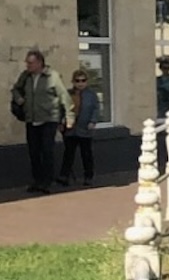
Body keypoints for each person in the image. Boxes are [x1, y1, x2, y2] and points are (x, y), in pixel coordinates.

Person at [11, 50, 66, 194]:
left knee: (47, 150)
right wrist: (19, 99)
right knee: (34, 152)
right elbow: (15, 89)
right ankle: (37, 180)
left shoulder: (52, 76)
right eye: (27, 62)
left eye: (30, 62)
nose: (27, 65)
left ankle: (47, 182)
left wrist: (64, 118)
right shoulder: (25, 76)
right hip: (31, 118)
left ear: (39, 63)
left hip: (49, 118)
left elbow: (62, 96)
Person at [57, 69, 102, 187]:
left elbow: (96, 109)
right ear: (73, 81)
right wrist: (60, 123)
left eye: (83, 80)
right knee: (68, 154)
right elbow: (62, 109)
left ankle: (88, 176)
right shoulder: (68, 94)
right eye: (77, 81)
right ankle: (64, 176)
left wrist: (93, 121)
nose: (80, 83)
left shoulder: (91, 95)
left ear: (87, 82)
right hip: (70, 128)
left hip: (85, 128)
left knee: (86, 154)